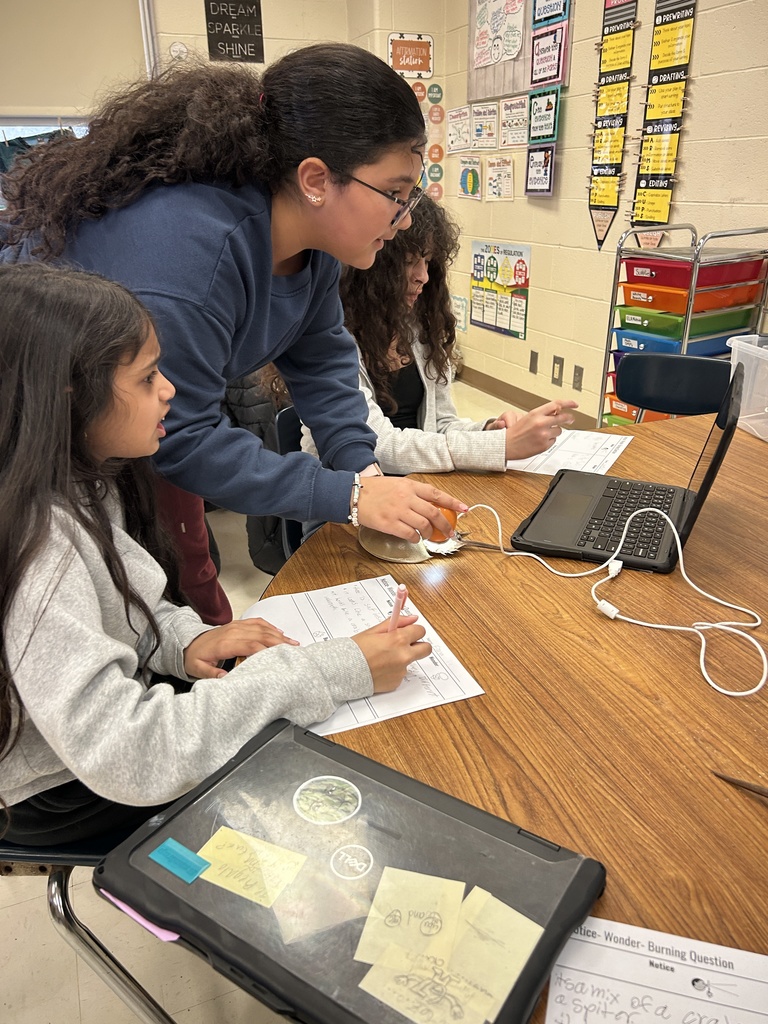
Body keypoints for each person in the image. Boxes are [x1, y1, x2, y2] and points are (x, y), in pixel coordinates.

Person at [0, 45, 465, 626]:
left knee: (185, 597)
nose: (403, 220)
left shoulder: (314, 247)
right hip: (46, 447)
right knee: (128, 606)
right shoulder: (190, 257)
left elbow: (324, 368)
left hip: (138, 434)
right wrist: (347, 496)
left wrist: (366, 481)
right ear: (316, 180)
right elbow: (183, 440)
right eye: (395, 195)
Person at [0, 263, 432, 847]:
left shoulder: (81, 479)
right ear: (72, 396)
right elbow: (132, 753)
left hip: (102, 745)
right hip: (64, 786)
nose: (170, 391)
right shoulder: (38, 538)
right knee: (315, 799)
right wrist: (339, 668)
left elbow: (126, 608)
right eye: (149, 377)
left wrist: (182, 639)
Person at [303, 196, 578, 474]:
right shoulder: (331, 335)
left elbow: (442, 425)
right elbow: (374, 446)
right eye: (409, 262)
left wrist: (489, 432)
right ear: (372, 266)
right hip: (349, 490)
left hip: (415, 482)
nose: (423, 276)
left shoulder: (420, 329)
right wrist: (500, 446)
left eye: (427, 261)